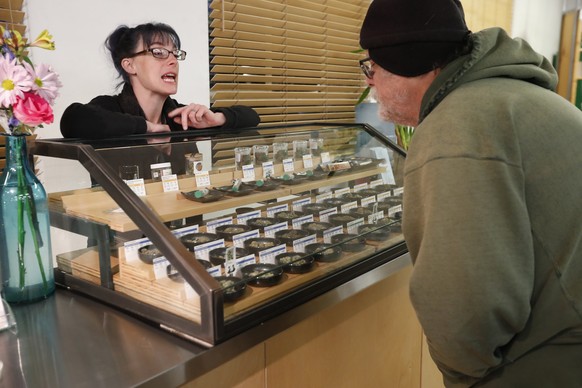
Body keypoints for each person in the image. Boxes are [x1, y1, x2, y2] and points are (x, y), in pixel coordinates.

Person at [359, 0, 582, 387]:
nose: (369, 82)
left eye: (371, 67)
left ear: (409, 63)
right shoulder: (514, 96)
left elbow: (465, 311)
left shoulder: (457, 125)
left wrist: (463, 375)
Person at [60, 22, 260, 139]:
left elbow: (251, 117)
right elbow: (72, 120)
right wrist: (148, 128)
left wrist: (217, 119)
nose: (173, 60)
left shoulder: (180, 118)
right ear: (130, 65)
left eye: (175, 53)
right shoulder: (110, 108)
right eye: (158, 52)